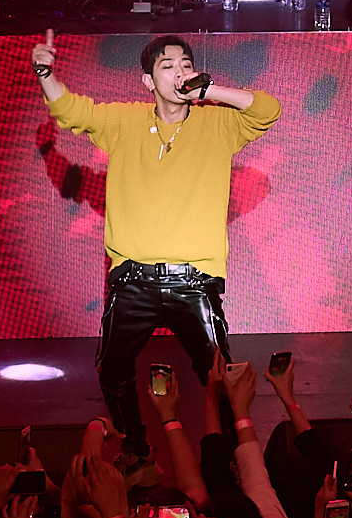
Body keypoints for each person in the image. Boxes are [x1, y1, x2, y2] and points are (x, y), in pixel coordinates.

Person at [30, 29, 281, 476]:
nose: (180, 73)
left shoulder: (217, 124)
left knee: (219, 375)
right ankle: (138, 450)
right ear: (148, 81)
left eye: (186, 65)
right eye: (168, 66)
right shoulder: (125, 121)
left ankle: (231, 459)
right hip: (133, 281)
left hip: (193, 282)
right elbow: (70, 111)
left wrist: (210, 92)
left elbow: (267, 110)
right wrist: (45, 72)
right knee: (112, 370)